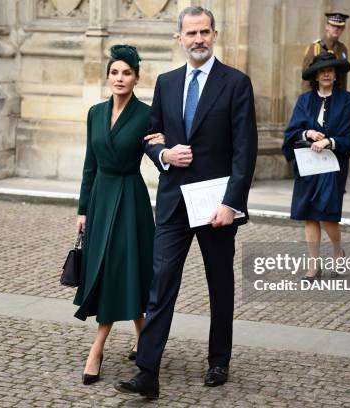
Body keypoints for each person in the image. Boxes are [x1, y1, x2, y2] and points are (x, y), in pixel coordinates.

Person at [115, 6, 257, 399]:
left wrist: (231, 204)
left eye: (204, 32)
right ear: (179, 38)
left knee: (219, 285)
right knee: (160, 284)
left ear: (214, 35)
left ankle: (218, 359)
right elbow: (151, 135)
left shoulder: (236, 83)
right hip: (175, 202)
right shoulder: (167, 82)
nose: (198, 39)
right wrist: (164, 155)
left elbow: (245, 152)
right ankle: (148, 371)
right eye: (191, 33)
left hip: (216, 208)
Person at [72, 45, 163, 385]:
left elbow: (158, 152)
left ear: (137, 77)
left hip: (129, 199)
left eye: (126, 73)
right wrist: (82, 209)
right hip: (100, 199)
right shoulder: (95, 113)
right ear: (107, 76)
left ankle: (96, 349)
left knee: (121, 269)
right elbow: (89, 164)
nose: (120, 78)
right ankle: (145, 339)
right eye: (114, 72)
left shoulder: (147, 114)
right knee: (116, 270)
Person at [282, 52, 350, 281]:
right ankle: (314, 266)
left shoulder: (347, 99)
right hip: (308, 165)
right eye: (322, 71)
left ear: (335, 75)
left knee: (327, 215)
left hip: (332, 166)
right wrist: (308, 132)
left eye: (330, 71)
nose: (326, 74)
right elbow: (292, 132)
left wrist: (329, 141)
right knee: (309, 215)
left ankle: (337, 252)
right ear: (315, 76)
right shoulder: (305, 100)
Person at [302, 12, 350, 91]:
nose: (336, 29)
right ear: (327, 27)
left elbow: (343, 78)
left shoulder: (343, 49)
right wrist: (307, 101)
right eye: (333, 26)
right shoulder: (315, 47)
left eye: (339, 27)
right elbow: (306, 78)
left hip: (336, 97)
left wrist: (343, 99)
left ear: (343, 29)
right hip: (317, 96)